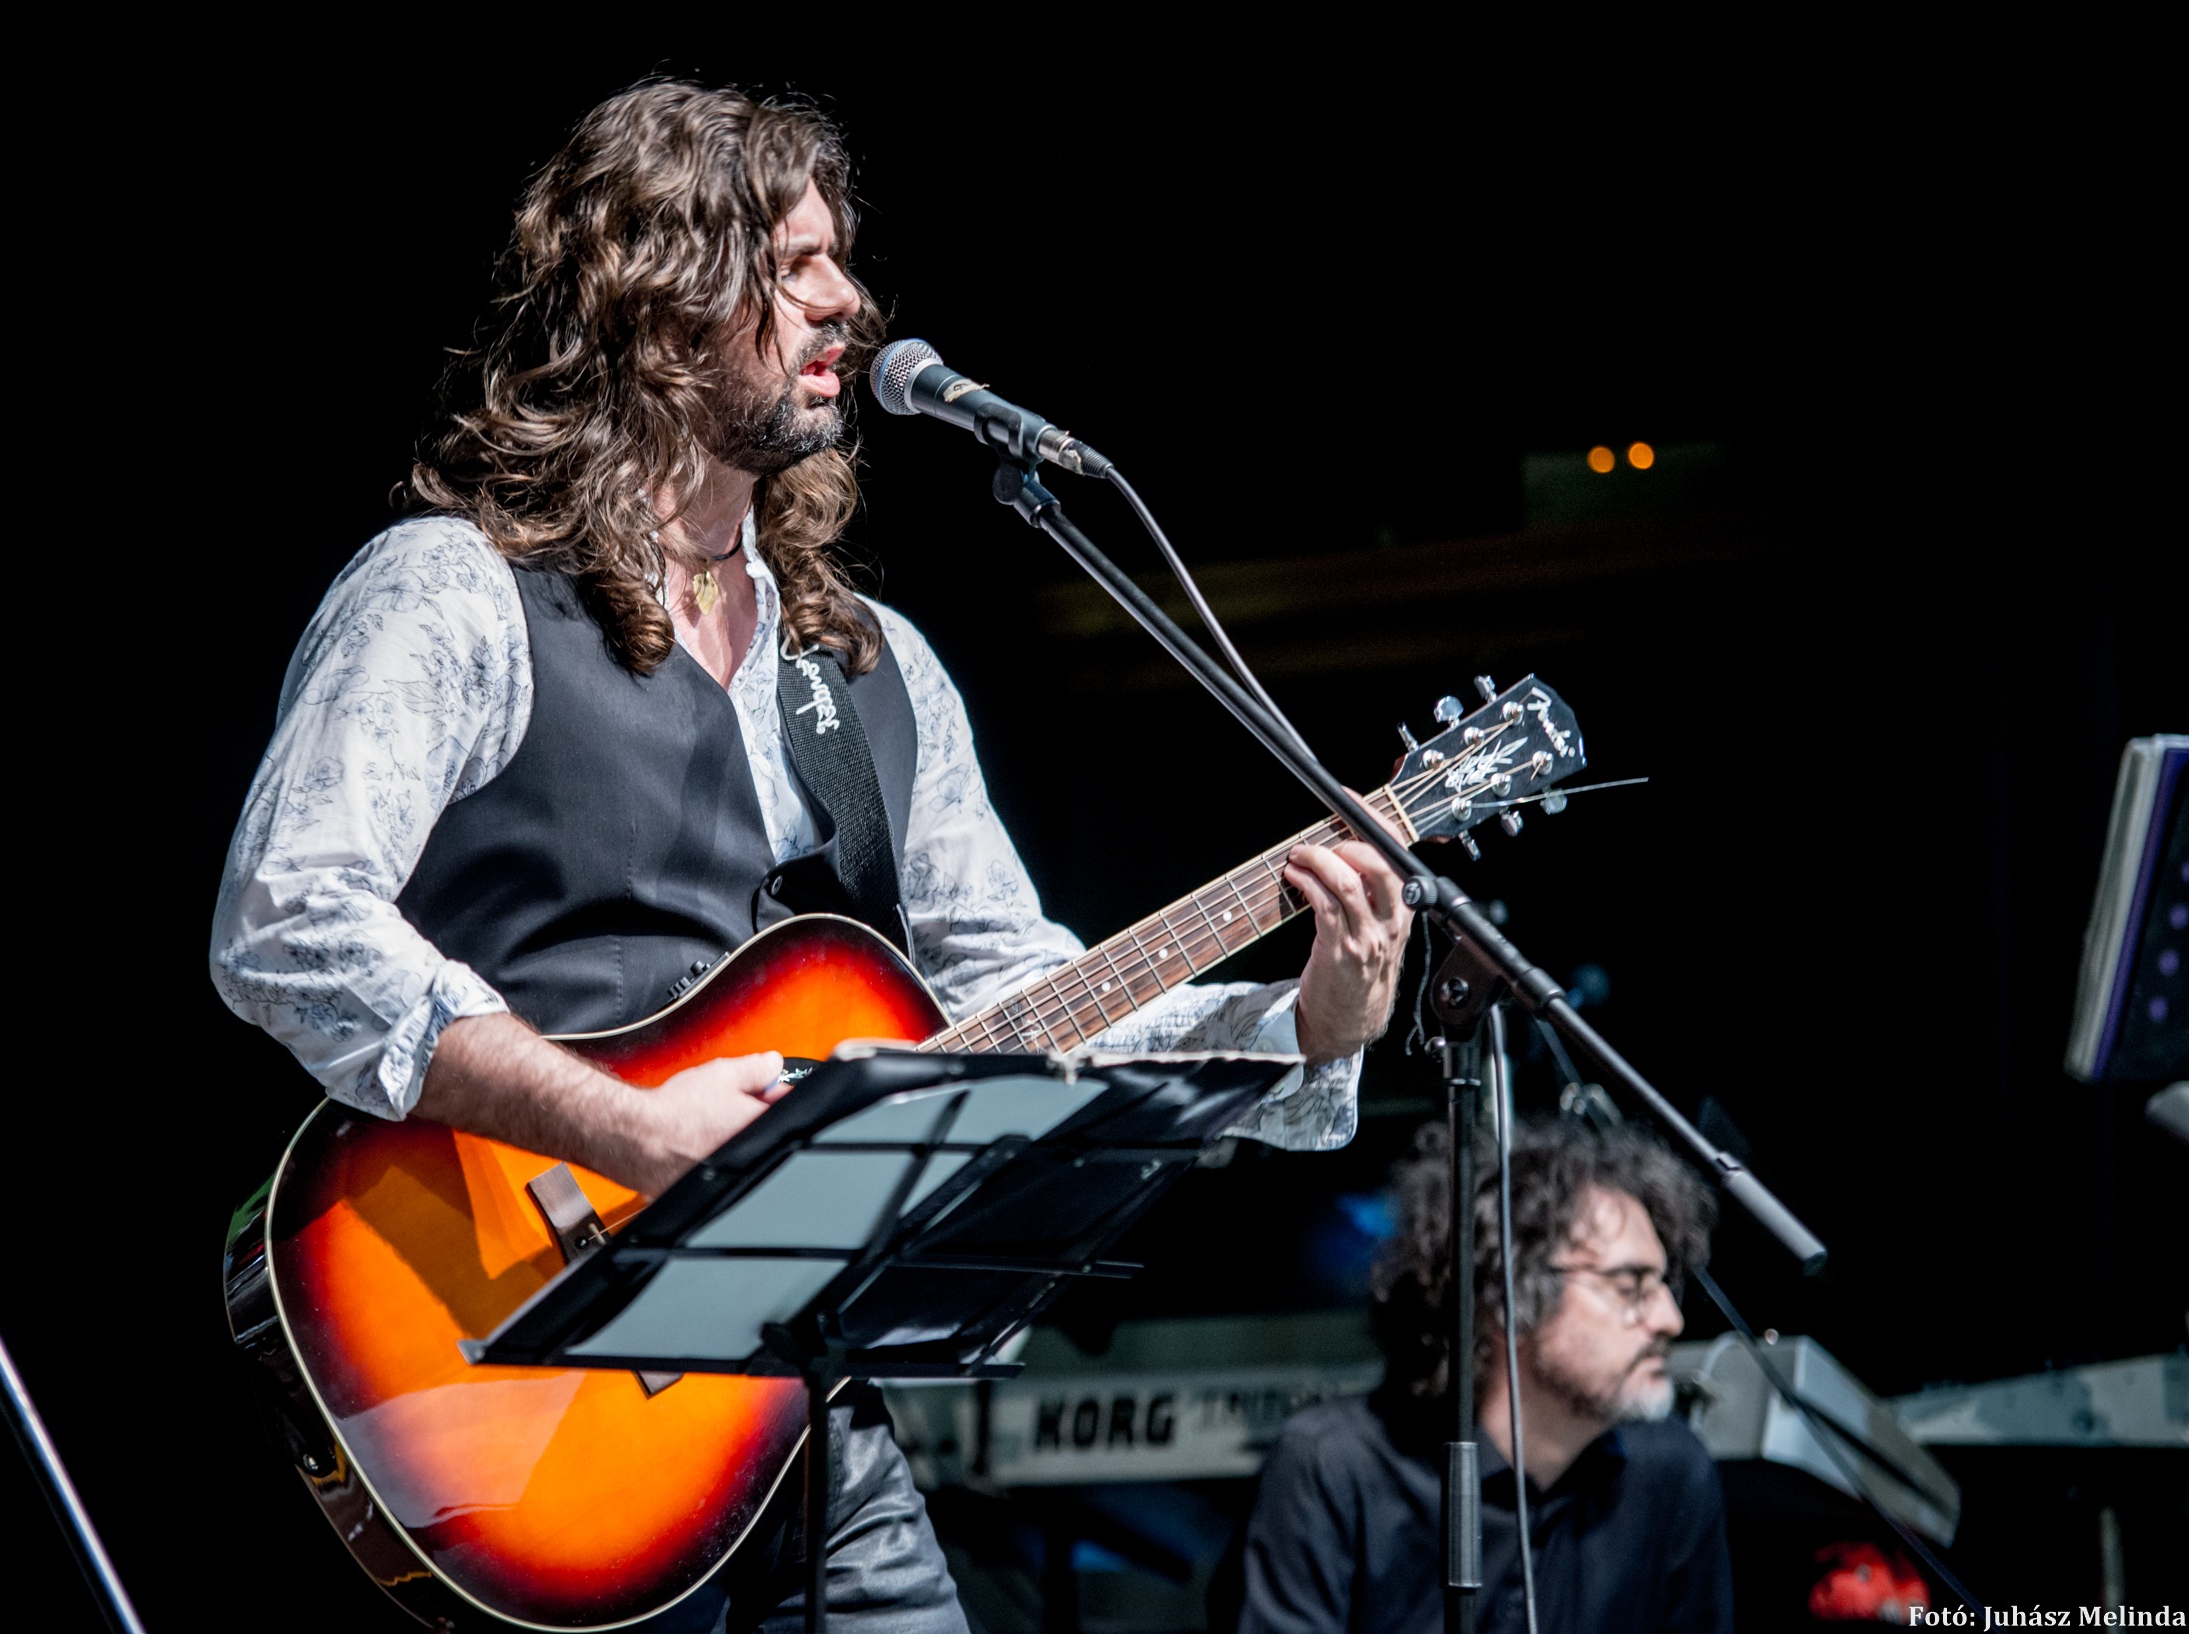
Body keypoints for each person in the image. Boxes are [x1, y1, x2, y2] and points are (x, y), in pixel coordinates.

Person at [208, 80, 1413, 1634]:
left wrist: (1297, 1023)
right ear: (655, 303)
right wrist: (623, 1123)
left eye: (839, 259)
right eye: (791, 266)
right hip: (537, 1401)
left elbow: (1015, 1000)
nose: (846, 298)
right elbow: (288, 920)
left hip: (809, 1410)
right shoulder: (453, 594)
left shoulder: (873, 666)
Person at [1238, 1119, 1730, 1634]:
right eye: (1630, 1286)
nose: (1669, 1319)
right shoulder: (1335, 1467)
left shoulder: (1671, 1474)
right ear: (1509, 1297)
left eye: (1664, 1285)